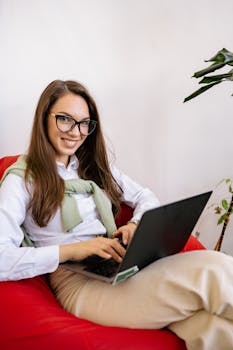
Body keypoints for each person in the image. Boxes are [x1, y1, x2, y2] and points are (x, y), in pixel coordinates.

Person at [0, 80, 233, 350]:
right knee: (213, 270)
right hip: (79, 285)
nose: (76, 132)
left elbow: (145, 196)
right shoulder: (22, 179)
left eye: (84, 123)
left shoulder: (92, 169)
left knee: (211, 327)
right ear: (44, 118)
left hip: (118, 266)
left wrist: (135, 224)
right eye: (65, 120)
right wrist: (72, 251)